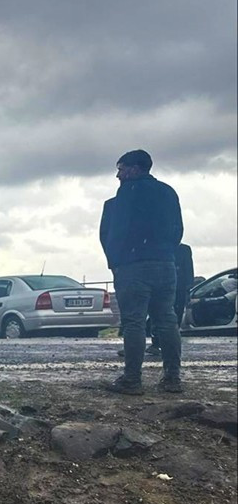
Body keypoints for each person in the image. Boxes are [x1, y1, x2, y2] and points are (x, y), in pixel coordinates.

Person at [98, 149, 183, 394]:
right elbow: (178, 229)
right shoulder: (168, 192)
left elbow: (116, 232)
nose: (118, 175)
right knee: (167, 319)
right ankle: (172, 379)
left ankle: (132, 380)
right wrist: (166, 251)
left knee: (134, 321)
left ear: (135, 169)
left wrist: (117, 262)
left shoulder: (127, 193)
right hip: (166, 263)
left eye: (121, 169)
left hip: (133, 265)